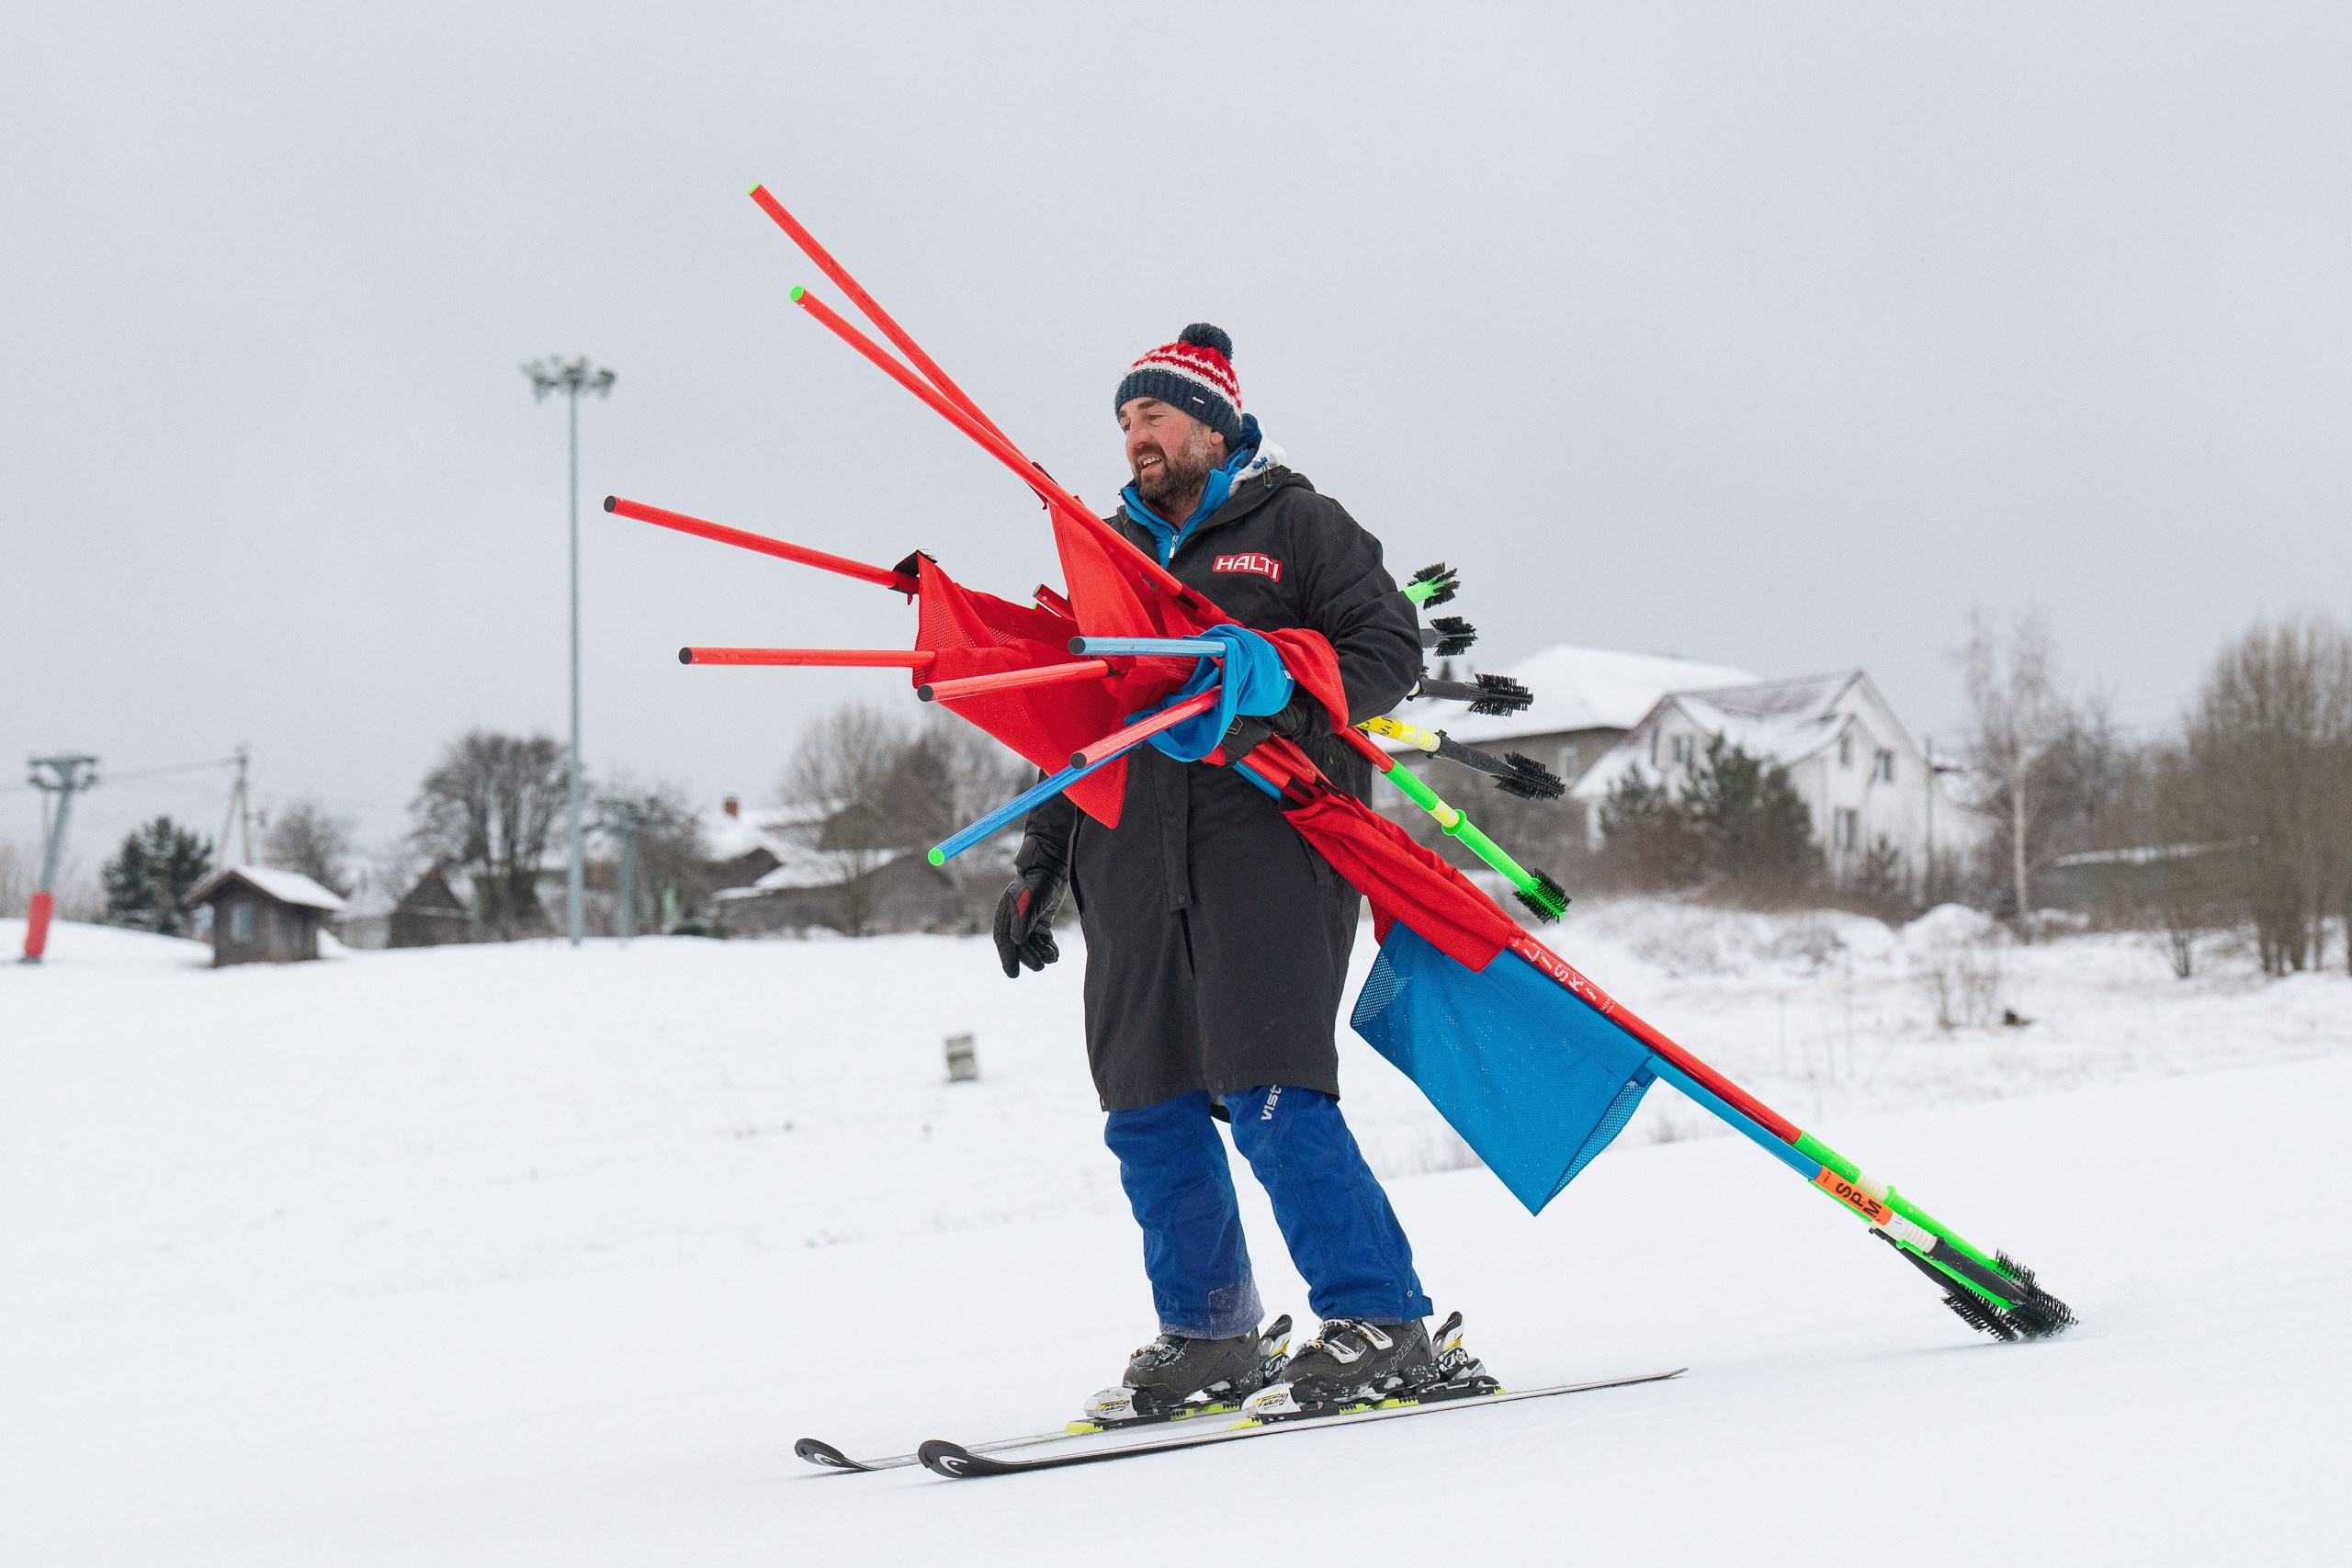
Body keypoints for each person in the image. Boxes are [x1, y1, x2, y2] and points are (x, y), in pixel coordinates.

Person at [995, 322, 1438, 1411]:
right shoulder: (1110, 555)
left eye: (1152, 415)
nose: (1134, 437)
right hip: (1131, 857)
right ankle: (1207, 1333)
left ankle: (1379, 1318)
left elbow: (1389, 656)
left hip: (1272, 844)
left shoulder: (1299, 524)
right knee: (1145, 1101)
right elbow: (1081, 724)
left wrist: (1276, 683)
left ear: (1212, 423)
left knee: (1271, 1086)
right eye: (1123, 421)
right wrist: (1041, 860)